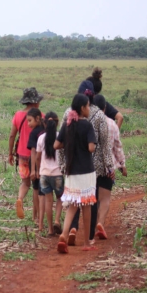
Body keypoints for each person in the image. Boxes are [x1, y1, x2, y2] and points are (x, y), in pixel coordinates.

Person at [59, 81, 114, 246]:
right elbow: (104, 144)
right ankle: (89, 238)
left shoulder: (68, 115)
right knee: (89, 202)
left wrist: (63, 163)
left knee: (74, 201)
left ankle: (71, 229)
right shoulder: (98, 116)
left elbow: (60, 144)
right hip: (91, 168)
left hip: (72, 166)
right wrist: (109, 166)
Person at [54, 94, 97, 253]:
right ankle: (86, 242)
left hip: (71, 172)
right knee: (86, 206)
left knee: (73, 205)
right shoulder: (87, 126)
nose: (89, 109)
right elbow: (91, 148)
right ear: (81, 108)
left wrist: (70, 143)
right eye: (87, 106)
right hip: (86, 172)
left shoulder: (67, 125)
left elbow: (56, 145)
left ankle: (64, 235)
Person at [93, 94, 127, 239]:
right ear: (105, 108)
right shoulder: (112, 124)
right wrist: (122, 165)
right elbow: (117, 147)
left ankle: (92, 225)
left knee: (93, 198)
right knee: (105, 198)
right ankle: (100, 223)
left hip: (91, 166)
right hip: (108, 166)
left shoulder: (89, 123)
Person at [8, 87, 45, 219]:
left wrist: (10, 154)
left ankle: (20, 199)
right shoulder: (40, 117)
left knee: (25, 183)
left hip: (22, 155)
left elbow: (12, 136)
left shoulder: (18, 115)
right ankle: (36, 216)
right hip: (36, 156)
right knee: (37, 186)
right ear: (35, 102)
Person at [34, 112, 63, 236]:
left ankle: (50, 229)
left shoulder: (41, 138)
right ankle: (57, 220)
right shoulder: (60, 137)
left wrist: (38, 169)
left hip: (44, 174)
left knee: (48, 202)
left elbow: (37, 157)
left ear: (44, 123)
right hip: (57, 173)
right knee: (60, 198)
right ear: (57, 123)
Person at [27, 108, 46, 226]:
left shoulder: (34, 133)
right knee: (43, 191)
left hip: (36, 164)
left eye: (30, 121)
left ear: (37, 119)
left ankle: (37, 217)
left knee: (36, 189)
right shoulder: (45, 130)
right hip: (45, 164)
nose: (28, 124)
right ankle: (37, 216)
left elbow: (33, 152)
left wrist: (33, 169)